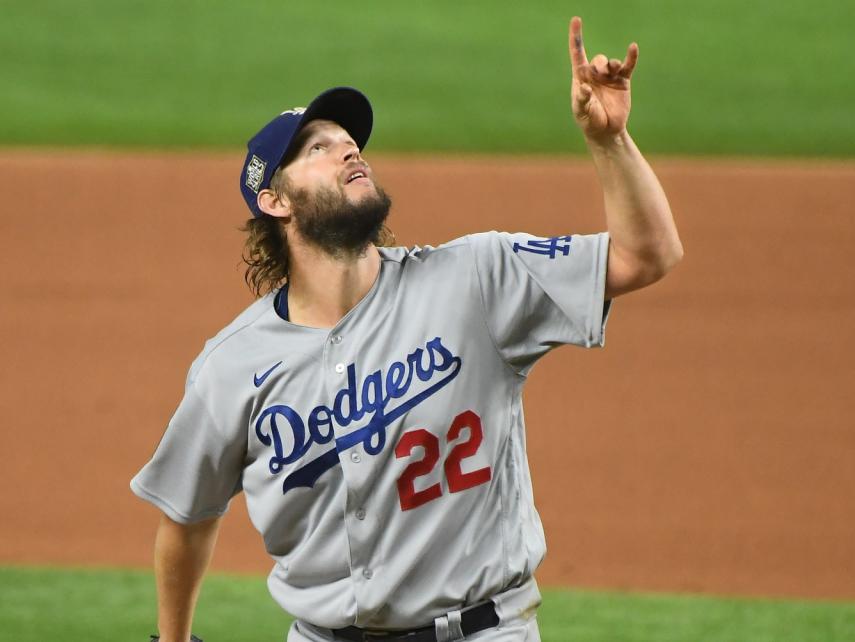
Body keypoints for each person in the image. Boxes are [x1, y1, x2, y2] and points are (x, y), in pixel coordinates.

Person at [131, 16, 682, 642]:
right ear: (275, 202)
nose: (348, 149)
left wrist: (610, 143)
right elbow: (186, 516)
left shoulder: (476, 277)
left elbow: (647, 255)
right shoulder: (230, 365)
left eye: (349, 141)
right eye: (318, 149)